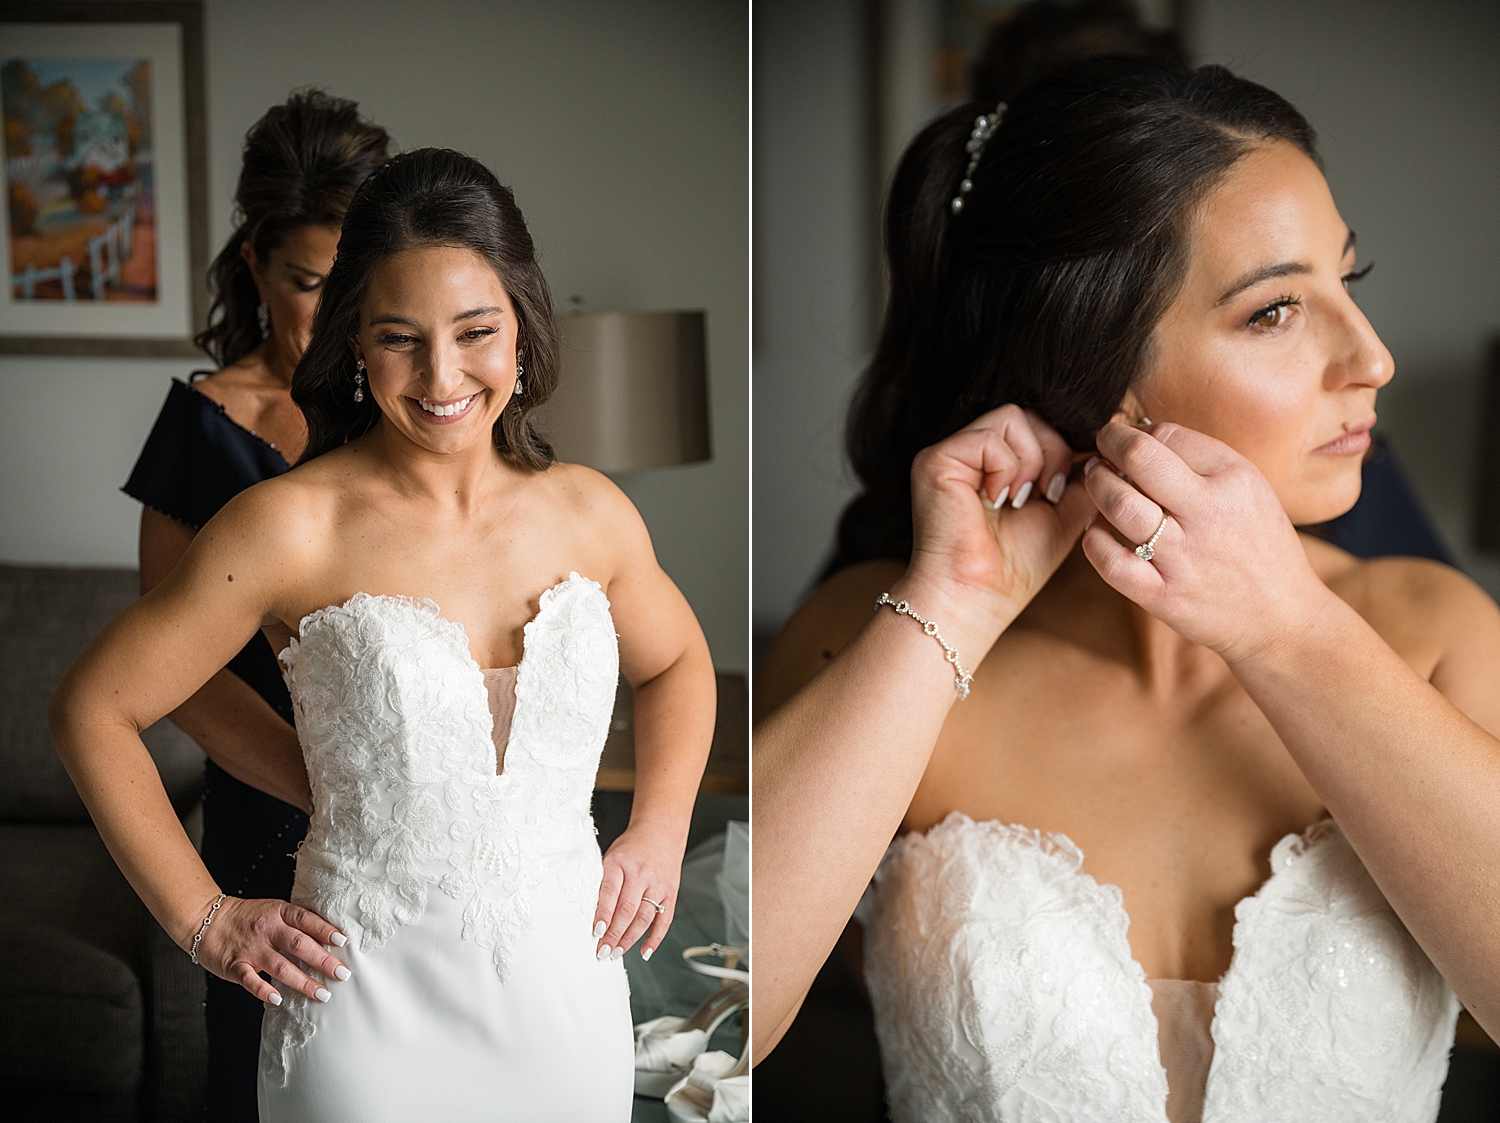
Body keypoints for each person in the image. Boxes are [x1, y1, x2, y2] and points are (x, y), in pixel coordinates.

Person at [753, 58, 1500, 1123]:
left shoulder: (1438, 634)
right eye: (1278, 311)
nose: (1372, 357)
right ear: (1089, 366)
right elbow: (727, 1010)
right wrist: (953, 609)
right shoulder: (871, 633)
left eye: (1351, 280)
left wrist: (1288, 632)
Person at [53, 147, 717, 1121]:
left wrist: (658, 830)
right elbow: (93, 708)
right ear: (355, 338)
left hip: (565, 1008)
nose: (442, 375)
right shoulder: (287, 524)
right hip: (366, 1017)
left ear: (523, 326)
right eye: (401, 338)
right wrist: (207, 921)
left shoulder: (591, 513)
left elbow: (680, 663)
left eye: (475, 331)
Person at [120, 88, 389, 1120]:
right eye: (310, 283)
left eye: (355, 283)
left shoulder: (409, 404)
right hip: (267, 803)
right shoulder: (200, 430)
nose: (338, 317)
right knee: (267, 1065)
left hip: (405, 793)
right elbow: (170, 678)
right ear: (257, 268)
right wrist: (318, 785)